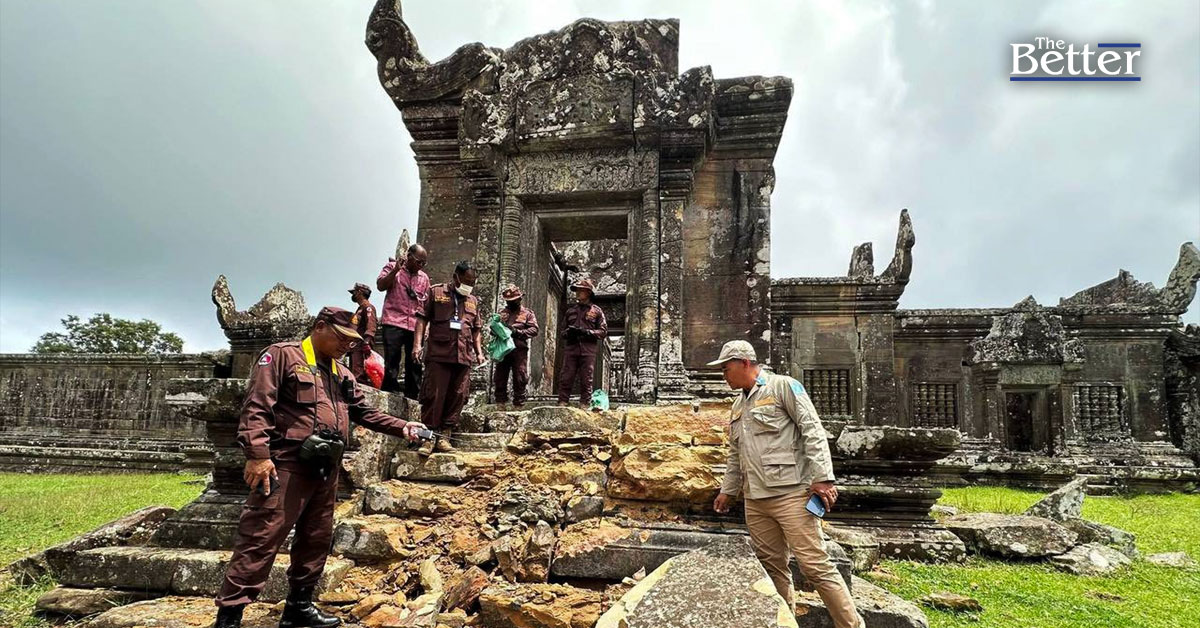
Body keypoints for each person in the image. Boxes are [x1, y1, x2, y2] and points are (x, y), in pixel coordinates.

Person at [213, 307, 428, 628]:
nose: (347, 345)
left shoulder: (341, 373)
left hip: (325, 469)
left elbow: (363, 412)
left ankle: (298, 607)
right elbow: (257, 405)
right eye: (341, 337)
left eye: (352, 340)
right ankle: (229, 616)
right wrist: (257, 454)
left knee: (316, 538)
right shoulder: (284, 356)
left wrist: (403, 426)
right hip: (285, 466)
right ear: (320, 327)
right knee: (261, 537)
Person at [709, 340, 863, 628]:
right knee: (772, 569)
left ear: (744, 363)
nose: (723, 376)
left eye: (726, 368)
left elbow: (812, 428)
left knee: (815, 567)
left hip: (791, 494)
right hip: (755, 500)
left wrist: (822, 478)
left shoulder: (783, 387)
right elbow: (735, 452)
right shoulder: (738, 404)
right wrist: (728, 490)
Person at [413, 260, 484, 454]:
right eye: (467, 280)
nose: (470, 285)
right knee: (434, 395)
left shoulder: (473, 301)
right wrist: (417, 345)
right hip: (439, 354)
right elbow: (421, 319)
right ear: (456, 277)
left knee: (459, 395)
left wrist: (479, 352)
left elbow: (476, 329)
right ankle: (427, 439)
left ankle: (444, 437)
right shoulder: (436, 292)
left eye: (473, 282)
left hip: (463, 356)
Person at [376, 244, 431, 399]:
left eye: (423, 263)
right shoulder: (392, 267)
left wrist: (426, 329)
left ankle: (413, 396)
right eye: (418, 261)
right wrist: (395, 271)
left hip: (414, 325)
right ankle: (389, 393)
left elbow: (426, 306)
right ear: (409, 256)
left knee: (414, 363)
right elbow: (381, 286)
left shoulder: (424, 278)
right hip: (393, 320)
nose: (420, 266)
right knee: (392, 360)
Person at [556, 278, 607, 407]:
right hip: (571, 348)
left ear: (588, 293)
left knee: (586, 377)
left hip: (588, 349)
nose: (577, 293)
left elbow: (603, 331)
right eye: (576, 290)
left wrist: (587, 332)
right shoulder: (570, 311)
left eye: (581, 291)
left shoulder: (596, 311)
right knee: (566, 376)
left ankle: (585, 403)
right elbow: (562, 331)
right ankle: (563, 401)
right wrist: (569, 332)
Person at [493, 283, 539, 409]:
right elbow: (492, 329)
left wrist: (517, 332)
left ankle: (518, 404)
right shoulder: (502, 313)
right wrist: (498, 327)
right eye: (508, 301)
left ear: (519, 299)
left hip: (519, 348)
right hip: (503, 349)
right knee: (500, 376)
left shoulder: (527, 313)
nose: (511, 303)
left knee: (520, 376)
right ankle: (500, 403)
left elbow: (534, 330)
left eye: (513, 300)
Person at [347, 283, 378, 383]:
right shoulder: (359, 309)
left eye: (354, 292)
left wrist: (367, 342)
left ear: (359, 292)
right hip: (355, 346)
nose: (353, 295)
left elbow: (371, 325)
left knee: (359, 374)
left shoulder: (368, 307)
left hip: (361, 346)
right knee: (354, 373)